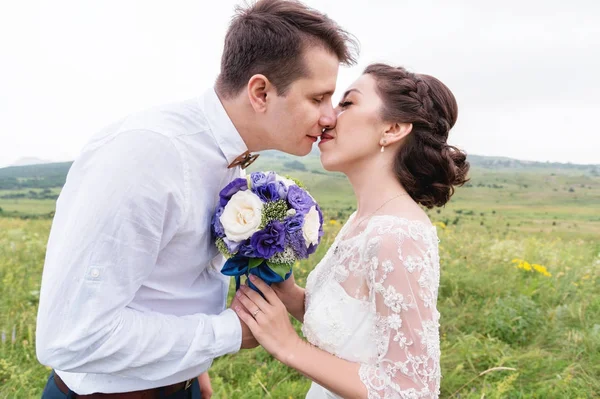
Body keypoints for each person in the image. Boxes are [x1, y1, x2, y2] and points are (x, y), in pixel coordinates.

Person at [36, 0, 357, 397]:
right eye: (317, 99)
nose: (330, 117)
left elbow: (173, 279)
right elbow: (70, 336)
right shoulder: (147, 156)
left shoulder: (229, 161)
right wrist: (228, 332)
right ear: (260, 92)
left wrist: (193, 370)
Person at [233, 63, 469, 398]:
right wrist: (289, 294)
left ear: (393, 129)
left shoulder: (397, 236)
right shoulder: (363, 219)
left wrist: (289, 346)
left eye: (347, 104)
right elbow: (353, 329)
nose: (328, 117)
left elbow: (412, 390)